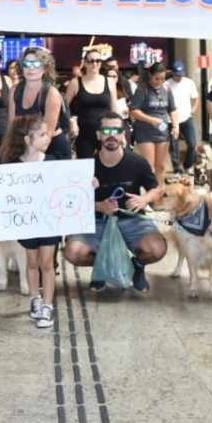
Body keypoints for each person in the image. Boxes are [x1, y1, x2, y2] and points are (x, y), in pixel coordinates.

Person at [62, 111, 167, 292]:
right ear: (98, 135)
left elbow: (157, 189)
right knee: (73, 252)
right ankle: (101, 268)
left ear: (123, 134)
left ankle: (137, 266)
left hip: (131, 220)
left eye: (116, 130)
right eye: (106, 130)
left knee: (157, 249)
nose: (111, 135)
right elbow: (70, 201)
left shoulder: (137, 162)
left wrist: (144, 200)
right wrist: (97, 206)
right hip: (96, 222)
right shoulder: (85, 166)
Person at [1, 114, 60, 328]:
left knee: (47, 263)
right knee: (32, 262)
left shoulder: (53, 161)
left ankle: (48, 305)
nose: (48, 137)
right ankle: (35, 298)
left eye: (47, 133)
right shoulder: (13, 166)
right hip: (27, 220)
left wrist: (85, 183)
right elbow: (5, 193)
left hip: (49, 221)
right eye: (42, 134)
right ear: (27, 140)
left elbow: (66, 186)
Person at [9, 46, 71, 161]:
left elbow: (47, 135)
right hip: (26, 148)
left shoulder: (52, 94)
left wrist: (31, 157)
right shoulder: (15, 90)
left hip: (52, 148)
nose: (31, 68)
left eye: (36, 64)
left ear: (44, 68)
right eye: (27, 64)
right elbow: (12, 128)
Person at [129, 62, 178, 182]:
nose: (160, 81)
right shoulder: (142, 89)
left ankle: (159, 193)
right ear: (150, 75)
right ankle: (150, 195)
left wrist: (176, 125)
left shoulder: (166, 89)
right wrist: (151, 120)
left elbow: (173, 109)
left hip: (162, 132)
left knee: (160, 166)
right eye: (157, 78)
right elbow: (134, 111)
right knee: (149, 166)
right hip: (145, 132)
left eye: (163, 78)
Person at [65, 50, 117, 159]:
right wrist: (72, 121)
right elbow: (64, 107)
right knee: (86, 167)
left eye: (98, 61)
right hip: (84, 133)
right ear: (85, 63)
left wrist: (118, 132)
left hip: (106, 132)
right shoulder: (75, 82)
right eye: (91, 61)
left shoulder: (110, 82)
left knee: (109, 165)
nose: (94, 64)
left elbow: (114, 111)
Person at [166, 60, 200, 173]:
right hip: (171, 119)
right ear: (173, 73)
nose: (179, 77)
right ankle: (177, 168)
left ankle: (188, 165)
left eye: (181, 75)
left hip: (186, 117)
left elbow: (196, 98)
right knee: (174, 146)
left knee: (192, 143)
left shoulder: (189, 83)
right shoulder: (167, 84)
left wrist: (193, 110)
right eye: (176, 75)